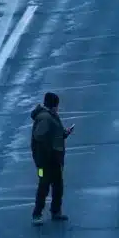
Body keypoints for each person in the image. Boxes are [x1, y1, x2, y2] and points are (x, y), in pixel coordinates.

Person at [30, 92, 74, 224]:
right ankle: (37, 214)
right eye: (57, 105)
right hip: (44, 162)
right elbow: (39, 136)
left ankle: (55, 211)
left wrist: (64, 133)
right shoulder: (45, 118)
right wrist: (47, 150)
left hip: (53, 160)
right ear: (54, 105)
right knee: (43, 185)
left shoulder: (51, 116)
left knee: (57, 185)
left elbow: (54, 134)